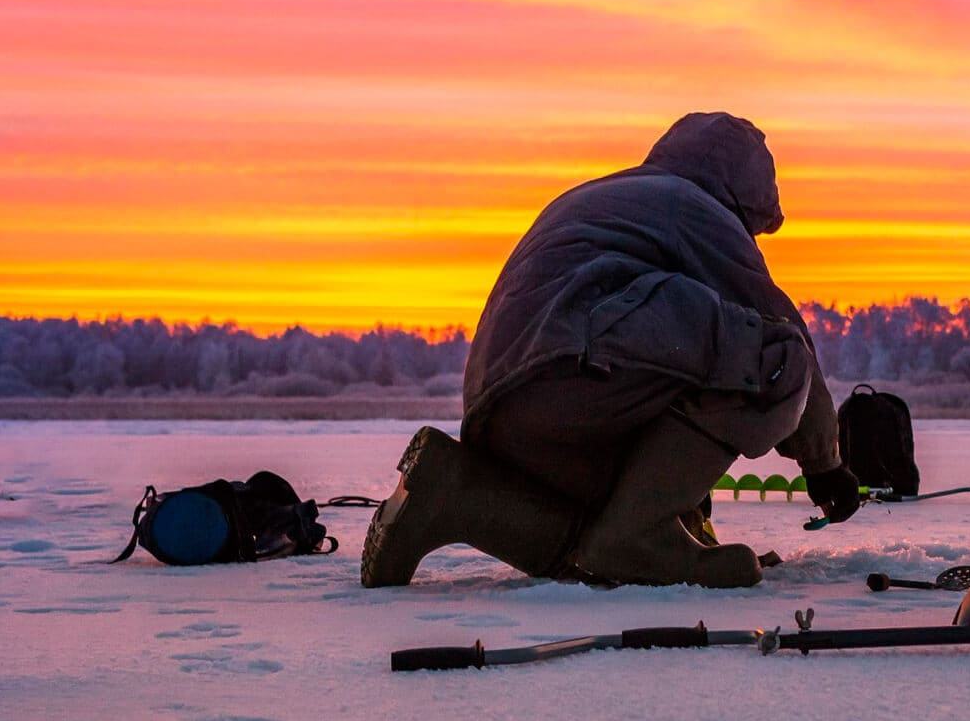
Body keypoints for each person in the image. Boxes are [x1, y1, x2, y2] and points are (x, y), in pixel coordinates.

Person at [360, 112, 860, 589]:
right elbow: (790, 347)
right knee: (774, 357)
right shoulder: (693, 206)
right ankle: (638, 535)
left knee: (587, 544)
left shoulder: (608, 196)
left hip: (510, 418)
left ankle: (452, 490)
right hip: (574, 378)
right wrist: (825, 465)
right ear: (743, 194)